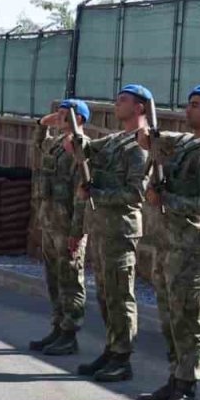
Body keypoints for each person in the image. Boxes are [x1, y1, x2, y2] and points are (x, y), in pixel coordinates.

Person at [135, 85, 200, 400]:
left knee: (188, 318)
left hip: (192, 246)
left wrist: (168, 201)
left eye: (196, 105)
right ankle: (174, 378)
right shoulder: (186, 143)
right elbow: (149, 139)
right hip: (168, 243)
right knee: (169, 316)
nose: (188, 111)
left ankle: (188, 389)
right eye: (189, 104)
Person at [67, 85, 150, 382]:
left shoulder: (141, 145)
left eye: (123, 100)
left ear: (140, 107)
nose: (117, 104)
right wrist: (76, 141)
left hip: (120, 230)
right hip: (102, 227)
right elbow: (87, 149)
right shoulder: (116, 140)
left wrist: (98, 193)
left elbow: (136, 193)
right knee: (105, 294)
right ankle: (112, 348)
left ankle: (123, 357)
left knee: (120, 294)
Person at [29, 99, 90, 357]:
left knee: (70, 281)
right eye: (60, 113)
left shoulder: (81, 148)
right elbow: (36, 149)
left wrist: (77, 231)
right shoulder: (55, 145)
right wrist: (42, 125)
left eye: (66, 114)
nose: (60, 117)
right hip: (50, 223)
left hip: (67, 227)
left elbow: (82, 193)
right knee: (53, 279)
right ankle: (57, 326)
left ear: (80, 119)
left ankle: (69, 333)